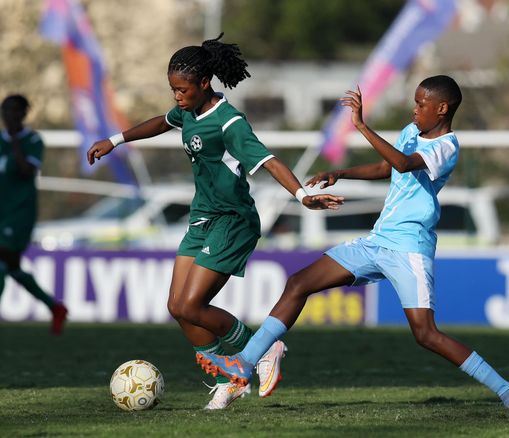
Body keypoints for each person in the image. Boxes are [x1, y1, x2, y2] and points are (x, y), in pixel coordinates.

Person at [196, 75, 509, 412]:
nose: (414, 110)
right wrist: (341, 172)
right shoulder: (411, 132)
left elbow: (403, 163)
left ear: (442, 109)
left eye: (421, 105)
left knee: (426, 334)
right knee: (299, 283)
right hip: (378, 240)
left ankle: (508, 390)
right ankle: (245, 361)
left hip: (409, 249)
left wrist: (360, 125)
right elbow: (388, 167)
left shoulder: (447, 146)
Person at [86, 34, 344, 410]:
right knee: (177, 306)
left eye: (182, 89)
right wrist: (116, 139)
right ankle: (230, 379)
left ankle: (264, 346)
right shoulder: (188, 111)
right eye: (173, 89)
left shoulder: (229, 122)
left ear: (204, 83)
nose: (177, 96)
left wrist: (303, 196)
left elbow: (269, 161)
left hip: (233, 220)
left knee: (192, 305)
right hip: (202, 217)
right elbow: (163, 121)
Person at [0, 94, 68, 335]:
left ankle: (55, 307)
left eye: (15, 110)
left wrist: (15, 141)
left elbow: (26, 170)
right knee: (11, 267)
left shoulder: (32, 140)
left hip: (19, 214)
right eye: (5, 110)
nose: (9, 115)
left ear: (23, 113)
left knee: (2, 261)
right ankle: (55, 307)